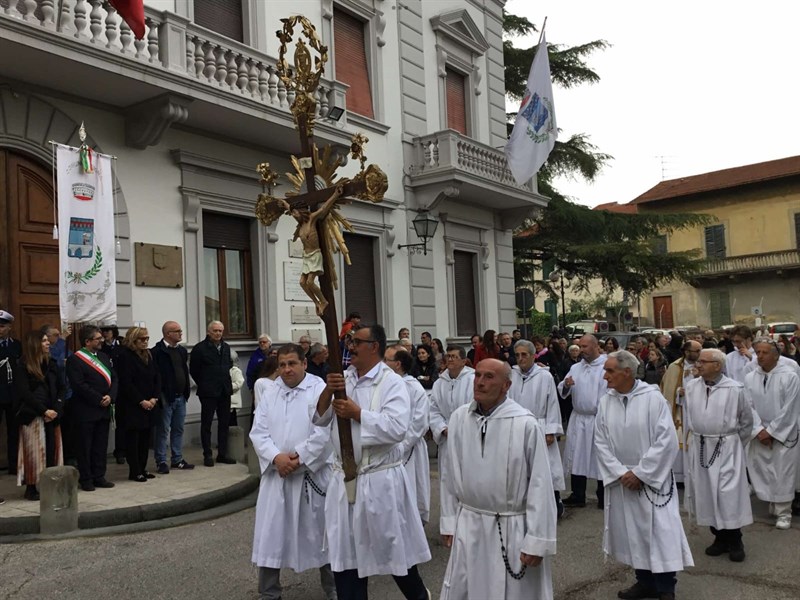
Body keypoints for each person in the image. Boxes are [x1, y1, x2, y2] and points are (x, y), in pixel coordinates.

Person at [313, 324, 431, 600]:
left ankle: (418, 596)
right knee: (346, 556)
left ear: (373, 346)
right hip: (345, 479)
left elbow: (396, 428)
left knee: (395, 553)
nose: (350, 347)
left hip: (379, 480)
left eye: (356, 342)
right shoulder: (345, 378)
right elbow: (319, 418)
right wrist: (328, 391)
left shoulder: (392, 383)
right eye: (350, 341)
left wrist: (358, 414)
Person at [440, 359, 557, 600]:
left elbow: (540, 484)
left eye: (489, 377)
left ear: (506, 385)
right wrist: (449, 520)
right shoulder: (460, 418)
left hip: (511, 527)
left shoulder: (525, 424)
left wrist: (536, 540)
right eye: (478, 375)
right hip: (468, 523)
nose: (480, 382)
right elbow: (449, 473)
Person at [595, 350, 694, 600]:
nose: (604, 376)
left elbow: (666, 440)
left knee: (660, 532)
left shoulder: (653, 398)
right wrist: (621, 473)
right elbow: (601, 442)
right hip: (622, 480)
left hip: (651, 478)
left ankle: (665, 586)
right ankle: (644, 581)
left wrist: (640, 473)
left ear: (627, 372)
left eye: (609, 371)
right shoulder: (606, 401)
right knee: (633, 533)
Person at [250, 343, 336, 600]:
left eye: (292, 364)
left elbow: (324, 430)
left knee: (322, 533)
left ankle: (334, 588)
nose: (287, 370)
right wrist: (277, 458)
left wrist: (298, 458)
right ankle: (269, 592)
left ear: (304, 364)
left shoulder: (319, 389)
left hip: (310, 476)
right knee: (271, 534)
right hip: (277, 476)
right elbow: (259, 431)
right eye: (282, 365)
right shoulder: (270, 391)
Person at [683, 349, 753, 562]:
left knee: (728, 495)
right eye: (699, 361)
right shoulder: (692, 386)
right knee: (706, 493)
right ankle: (719, 537)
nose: (699, 364)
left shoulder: (735, 389)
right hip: (701, 445)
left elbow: (746, 421)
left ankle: (735, 539)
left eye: (704, 361)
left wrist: (732, 443)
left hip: (727, 447)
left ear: (718, 365)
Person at [745, 337, 800, 530]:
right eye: (757, 352)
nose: (759, 356)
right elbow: (748, 406)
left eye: (764, 352)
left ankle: (784, 512)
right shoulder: (750, 377)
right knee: (763, 470)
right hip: (759, 432)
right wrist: (759, 430)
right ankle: (772, 502)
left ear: (776, 355)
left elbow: (790, 408)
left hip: (784, 432)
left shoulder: (790, 376)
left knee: (783, 472)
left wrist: (773, 432)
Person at [510, 340, 565, 518]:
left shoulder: (544, 376)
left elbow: (552, 403)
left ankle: (554, 504)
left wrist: (551, 430)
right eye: (517, 355)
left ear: (533, 356)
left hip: (540, 426)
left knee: (547, 468)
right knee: (521, 468)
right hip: (516, 427)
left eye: (524, 354)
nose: (520, 358)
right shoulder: (511, 374)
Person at [430, 345, 475, 537]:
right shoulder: (440, 383)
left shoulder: (473, 379)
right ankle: (450, 526)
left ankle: (471, 522)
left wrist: (460, 427)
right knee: (448, 480)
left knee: (469, 479)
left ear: (464, 361)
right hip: (448, 439)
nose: (450, 360)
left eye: (454, 357)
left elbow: (476, 406)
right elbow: (433, 410)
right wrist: (442, 428)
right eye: (448, 356)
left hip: (468, 437)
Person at [557, 334, 607, 508]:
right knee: (576, 455)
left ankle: (603, 495)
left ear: (595, 346)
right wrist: (566, 385)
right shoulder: (576, 367)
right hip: (579, 418)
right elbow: (562, 387)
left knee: (599, 457)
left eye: (585, 347)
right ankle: (578, 494)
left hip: (598, 418)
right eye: (580, 347)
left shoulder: (605, 366)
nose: (581, 350)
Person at [13, 330, 64, 501]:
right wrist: (43, 410)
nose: (48, 343)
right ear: (35, 344)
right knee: (34, 452)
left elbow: (62, 387)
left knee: (52, 451)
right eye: (43, 341)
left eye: (47, 340)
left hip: (52, 414)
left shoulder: (52, 364)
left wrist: (56, 408)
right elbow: (24, 393)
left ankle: (51, 484)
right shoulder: (23, 365)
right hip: (33, 415)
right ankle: (32, 487)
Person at [66, 325, 117, 491]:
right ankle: (86, 478)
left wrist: (111, 396)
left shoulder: (103, 356)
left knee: (100, 445)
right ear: (87, 341)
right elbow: (79, 384)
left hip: (104, 408)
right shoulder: (76, 359)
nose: (101, 340)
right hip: (86, 410)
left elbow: (115, 378)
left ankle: (99, 475)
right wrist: (98, 398)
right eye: (97, 338)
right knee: (85, 446)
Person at [385, 345, 431, 524]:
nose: (382, 364)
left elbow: (420, 421)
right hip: (388, 448)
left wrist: (402, 445)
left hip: (409, 449)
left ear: (397, 364)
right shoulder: (385, 385)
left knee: (410, 489)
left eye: (386, 360)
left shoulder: (413, 388)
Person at [116, 327, 160, 482]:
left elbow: (156, 377)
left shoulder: (148, 355)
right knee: (133, 440)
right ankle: (135, 470)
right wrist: (141, 400)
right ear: (133, 340)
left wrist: (154, 397)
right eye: (142, 339)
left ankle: (143, 467)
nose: (145, 342)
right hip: (132, 406)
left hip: (149, 404)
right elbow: (126, 383)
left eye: (147, 339)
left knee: (145, 439)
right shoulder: (125, 356)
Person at [190, 321, 235, 467]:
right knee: (207, 424)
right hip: (208, 391)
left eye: (220, 331)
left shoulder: (226, 347)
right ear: (209, 332)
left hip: (224, 391)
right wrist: (204, 383)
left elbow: (229, 365)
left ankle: (222, 453)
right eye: (215, 330)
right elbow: (194, 370)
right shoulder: (200, 348)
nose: (218, 333)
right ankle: (207, 454)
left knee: (224, 424)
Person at [151, 321, 194, 474]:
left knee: (178, 428)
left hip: (181, 396)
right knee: (163, 430)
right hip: (166, 397)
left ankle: (177, 459)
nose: (181, 333)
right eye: (177, 331)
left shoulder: (181, 351)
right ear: (168, 334)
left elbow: (183, 370)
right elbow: (156, 375)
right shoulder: (157, 351)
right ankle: (161, 460)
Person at [659, 340, 702, 483]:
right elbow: (667, 389)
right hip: (681, 410)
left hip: (699, 410)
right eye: (696, 351)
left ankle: (696, 473)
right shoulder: (675, 367)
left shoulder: (704, 364)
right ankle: (680, 476)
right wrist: (678, 392)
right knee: (680, 439)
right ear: (686, 352)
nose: (699, 353)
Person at [0, 309, 22, 478]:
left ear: (9, 327)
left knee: (14, 431)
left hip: (13, 394)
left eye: (2, 326)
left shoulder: (16, 345)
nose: (0, 329)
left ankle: (14, 464)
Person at [229, 349, 245, 426]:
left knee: (232, 423)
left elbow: (239, 383)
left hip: (233, 403)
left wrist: (227, 386)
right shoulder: (225, 370)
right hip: (225, 402)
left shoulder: (235, 370)